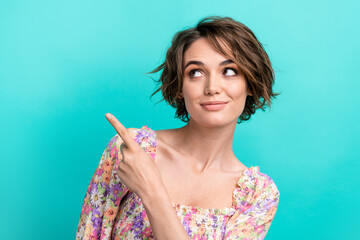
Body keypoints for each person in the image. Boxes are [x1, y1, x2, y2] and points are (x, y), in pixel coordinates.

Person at [75, 15, 281, 240]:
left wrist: (152, 191)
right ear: (180, 86)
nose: (212, 87)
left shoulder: (258, 194)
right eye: (195, 72)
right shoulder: (134, 150)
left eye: (229, 71)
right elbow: (90, 234)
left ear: (250, 83)